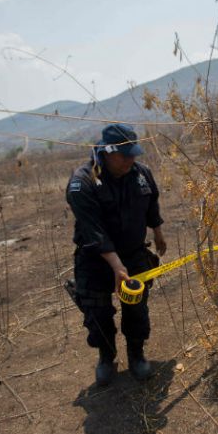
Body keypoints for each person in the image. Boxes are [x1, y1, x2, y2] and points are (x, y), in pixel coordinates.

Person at [65, 123, 167, 385]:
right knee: (96, 312)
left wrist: (157, 232)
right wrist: (115, 265)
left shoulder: (141, 173)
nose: (131, 160)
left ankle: (136, 355)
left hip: (133, 255)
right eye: (125, 155)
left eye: (134, 153)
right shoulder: (83, 182)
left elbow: (151, 202)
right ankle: (106, 356)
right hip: (95, 259)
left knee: (136, 308)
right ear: (107, 152)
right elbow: (94, 230)